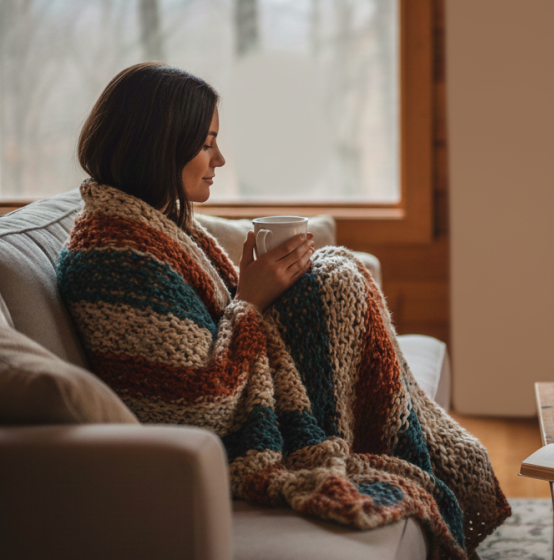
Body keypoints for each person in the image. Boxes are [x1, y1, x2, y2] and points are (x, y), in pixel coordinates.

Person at [57, 62, 509, 559]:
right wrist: (250, 299)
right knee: (337, 275)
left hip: (256, 388)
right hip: (241, 434)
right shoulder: (116, 257)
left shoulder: (155, 226)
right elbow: (196, 407)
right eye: (207, 143)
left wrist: (262, 292)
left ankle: (421, 444)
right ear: (159, 144)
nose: (220, 158)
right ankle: (417, 449)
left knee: (337, 271)